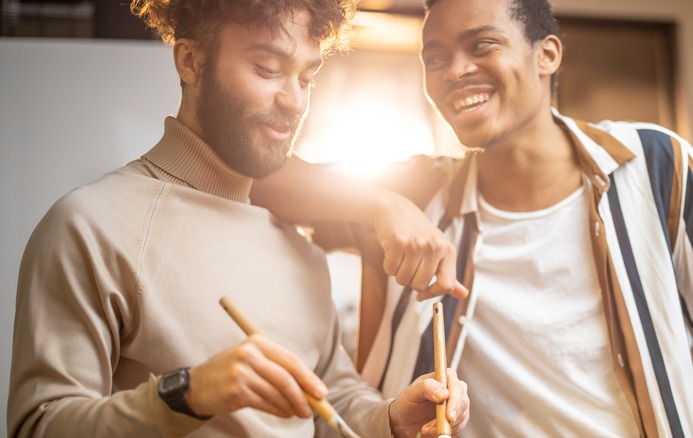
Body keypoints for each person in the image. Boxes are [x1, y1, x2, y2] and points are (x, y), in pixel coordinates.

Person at [252, 0, 693, 436]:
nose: (455, 71)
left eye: (482, 45)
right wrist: (379, 204)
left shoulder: (657, 164)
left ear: (547, 54)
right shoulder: (418, 192)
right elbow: (260, 177)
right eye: (434, 58)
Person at [6, 1, 471, 437]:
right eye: (268, 69)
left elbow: (333, 400)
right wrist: (188, 393)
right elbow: (38, 425)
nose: (295, 101)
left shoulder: (299, 246)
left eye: (307, 77)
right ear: (190, 62)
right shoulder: (90, 225)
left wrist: (390, 419)